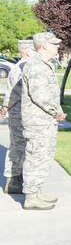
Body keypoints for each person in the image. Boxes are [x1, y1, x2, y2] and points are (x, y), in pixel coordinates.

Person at [19, 32, 68, 209]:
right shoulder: (36, 66)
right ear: (44, 45)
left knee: (43, 157)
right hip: (37, 123)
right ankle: (31, 196)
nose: (58, 46)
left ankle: (37, 191)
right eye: (54, 44)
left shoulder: (44, 64)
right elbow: (40, 95)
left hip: (45, 122)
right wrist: (57, 112)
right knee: (36, 158)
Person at [2, 38, 35, 194]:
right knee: (17, 147)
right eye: (34, 50)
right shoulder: (21, 68)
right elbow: (15, 93)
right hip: (18, 113)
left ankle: (17, 178)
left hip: (20, 112)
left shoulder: (24, 67)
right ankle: (13, 181)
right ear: (27, 52)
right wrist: (5, 107)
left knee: (20, 146)